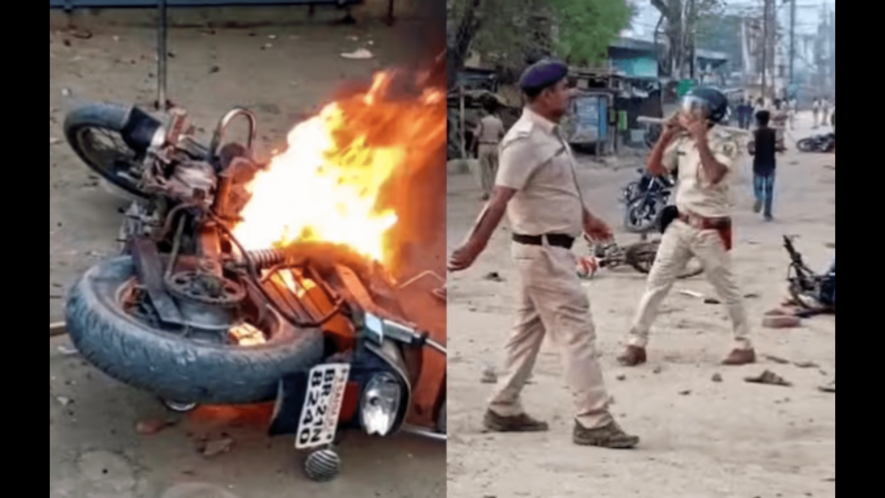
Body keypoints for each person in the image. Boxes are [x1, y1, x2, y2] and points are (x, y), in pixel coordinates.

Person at [448, 58, 640, 449]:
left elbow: (558, 188)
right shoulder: (522, 141)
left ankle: (502, 407)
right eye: (567, 88)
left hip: (549, 250)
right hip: (543, 252)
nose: (572, 93)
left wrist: (586, 218)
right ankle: (593, 419)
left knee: (527, 332)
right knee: (577, 332)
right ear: (548, 94)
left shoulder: (550, 136)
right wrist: (474, 246)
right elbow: (499, 200)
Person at [617, 87, 756, 367]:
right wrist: (666, 135)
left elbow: (715, 175)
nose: (688, 111)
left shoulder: (727, 142)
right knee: (656, 282)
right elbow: (655, 169)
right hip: (681, 223)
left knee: (725, 288)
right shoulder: (682, 142)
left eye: (695, 107)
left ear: (709, 114)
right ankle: (636, 343)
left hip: (710, 229)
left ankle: (744, 344)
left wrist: (702, 140)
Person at [471, 98, 506, 200]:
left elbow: (476, 135)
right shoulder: (498, 121)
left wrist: (471, 147)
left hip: (483, 146)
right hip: (495, 146)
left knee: (484, 171)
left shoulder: (482, 121)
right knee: (495, 169)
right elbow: (502, 134)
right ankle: (496, 191)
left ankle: (486, 192)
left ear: (485, 109)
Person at [750, 110, 777, 221]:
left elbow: (751, 149)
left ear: (757, 120)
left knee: (758, 187)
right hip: (770, 163)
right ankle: (767, 213)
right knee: (769, 190)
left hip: (758, 164)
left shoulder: (755, 133)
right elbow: (775, 146)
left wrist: (752, 151)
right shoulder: (772, 132)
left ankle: (759, 198)